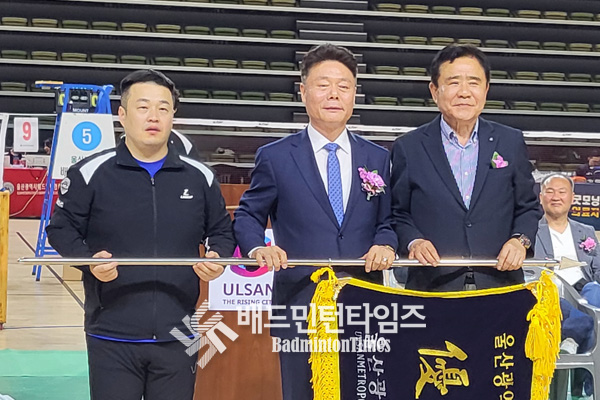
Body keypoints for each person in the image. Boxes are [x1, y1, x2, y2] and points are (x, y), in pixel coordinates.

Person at [46, 69, 236, 400]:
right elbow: (61, 228)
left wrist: (218, 256)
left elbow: (221, 229)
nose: (154, 117)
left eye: (163, 108)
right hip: (111, 332)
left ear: (173, 116)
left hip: (180, 331)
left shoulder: (200, 177)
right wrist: (89, 261)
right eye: (143, 107)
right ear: (122, 115)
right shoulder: (90, 173)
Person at [233, 43, 397, 400]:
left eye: (344, 86)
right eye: (323, 85)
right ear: (303, 91)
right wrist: (258, 247)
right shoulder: (276, 157)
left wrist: (386, 243)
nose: (334, 94)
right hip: (299, 302)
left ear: (354, 94)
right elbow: (247, 214)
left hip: (364, 301)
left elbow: (388, 220)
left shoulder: (378, 157)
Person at [391, 44, 542, 291]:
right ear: (434, 91)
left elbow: (528, 206)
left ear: (486, 89)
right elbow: (398, 213)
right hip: (433, 284)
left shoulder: (510, 141)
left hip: (500, 282)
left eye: (473, 83)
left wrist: (520, 241)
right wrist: (414, 241)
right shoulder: (409, 147)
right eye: (453, 83)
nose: (464, 92)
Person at [535, 173, 600, 400]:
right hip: (551, 293)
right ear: (541, 197)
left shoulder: (586, 231)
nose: (556, 197)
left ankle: (571, 341)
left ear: (572, 198)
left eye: (562, 192)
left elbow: (598, 269)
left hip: (583, 291)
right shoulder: (530, 231)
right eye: (550, 192)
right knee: (581, 313)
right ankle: (585, 383)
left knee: (595, 293)